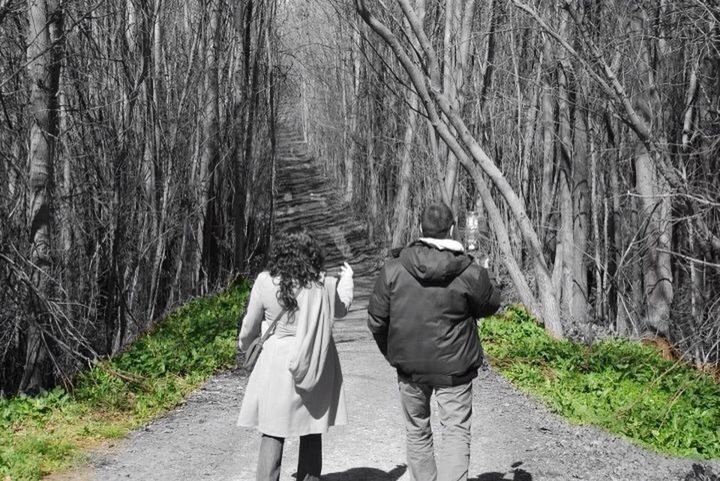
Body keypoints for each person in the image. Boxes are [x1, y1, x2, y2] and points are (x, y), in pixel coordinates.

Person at [368, 203, 501, 481]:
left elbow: (377, 321)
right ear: (453, 230)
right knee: (455, 432)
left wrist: (393, 353)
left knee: (417, 431)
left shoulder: (393, 269)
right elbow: (490, 304)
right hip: (455, 369)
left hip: (410, 369)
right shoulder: (469, 271)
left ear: (419, 229)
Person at [238, 228, 353, 481]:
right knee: (311, 428)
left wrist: (245, 346)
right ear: (312, 253)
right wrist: (347, 283)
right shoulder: (323, 284)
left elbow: (250, 326)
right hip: (314, 359)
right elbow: (341, 309)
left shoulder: (265, 281)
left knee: (272, 430)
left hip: (276, 362)